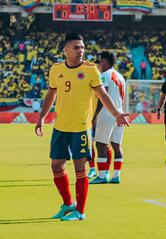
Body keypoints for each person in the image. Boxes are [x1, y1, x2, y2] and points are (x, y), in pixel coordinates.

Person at [35, 33, 129, 221]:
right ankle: (68, 203)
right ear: (66, 49)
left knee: (80, 169)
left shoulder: (91, 70)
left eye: (82, 47)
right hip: (60, 126)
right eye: (76, 47)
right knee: (56, 166)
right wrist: (42, 117)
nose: (81, 51)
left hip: (81, 127)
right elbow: (51, 94)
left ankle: (81, 211)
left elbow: (103, 95)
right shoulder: (56, 69)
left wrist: (117, 113)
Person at [89, 51, 126, 184]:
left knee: (100, 144)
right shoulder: (121, 77)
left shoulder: (105, 75)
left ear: (105, 61)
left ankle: (102, 175)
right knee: (116, 145)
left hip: (107, 113)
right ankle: (116, 176)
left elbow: (101, 97)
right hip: (119, 112)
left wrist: (94, 116)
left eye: (100, 62)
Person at [88, 60, 112, 179]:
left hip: (101, 117)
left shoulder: (103, 81)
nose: (96, 69)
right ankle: (92, 169)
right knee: (90, 144)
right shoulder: (90, 81)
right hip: (90, 117)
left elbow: (104, 100)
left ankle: (106, 171)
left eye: (98, 67)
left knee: (105, 145)